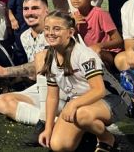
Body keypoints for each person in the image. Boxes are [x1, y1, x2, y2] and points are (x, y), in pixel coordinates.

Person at [37, 12, 126, 152]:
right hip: (82, 103)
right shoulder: (50, 55)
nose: (50, 33)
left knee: (81, 115)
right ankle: (89, 132)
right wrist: (48, 128)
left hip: (112, 100)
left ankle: (107, 138)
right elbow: (52, 96)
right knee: (58, 145)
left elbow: (99, 90)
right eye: (47, 28)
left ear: (70, 32)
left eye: (57, 28)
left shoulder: (83, 54)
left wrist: (73, 104)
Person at [0, 0, 52, 136]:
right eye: (26, 9)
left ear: (47, 10)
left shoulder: (54, 32)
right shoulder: (25, 36)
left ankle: (47, 121)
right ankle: (54, 121)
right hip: (41, 89)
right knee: (1, 101)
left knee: (40, 59)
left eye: (35, 8)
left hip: (65, 89)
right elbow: (30, 70)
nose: (29, 13)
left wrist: (5, 71)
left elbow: (41, 64)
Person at [68, 0, 122, 72]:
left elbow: (118, 40)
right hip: (85, 54)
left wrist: (99, 46)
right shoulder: (72, 17)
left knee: (95, 53)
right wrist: (72, 25)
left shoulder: (100, 14)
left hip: (106, 53)